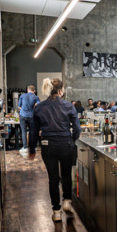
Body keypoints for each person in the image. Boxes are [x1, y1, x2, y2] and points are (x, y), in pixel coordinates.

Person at [28, 78, 81, 222]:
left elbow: (33, 131)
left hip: (47, 144)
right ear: (60, 90)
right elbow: (77, 128)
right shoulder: (68, 105)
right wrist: (72, 139)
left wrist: (32, 148)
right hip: (65, 144)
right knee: (66, 175)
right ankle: (67, 202)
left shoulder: (39, 107)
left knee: (53, 179)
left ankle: (56, 211)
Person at [17, 85, 41, 157]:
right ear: (34, 91)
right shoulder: (35, 97)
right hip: (31, 115)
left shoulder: (22, 95)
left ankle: (25, 147)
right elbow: (38, 105)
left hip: (23, 115)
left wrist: (24, 109)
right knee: (32, 132)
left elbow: (19, 106)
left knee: (23, 131)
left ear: (27, 90)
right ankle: (32, 148)